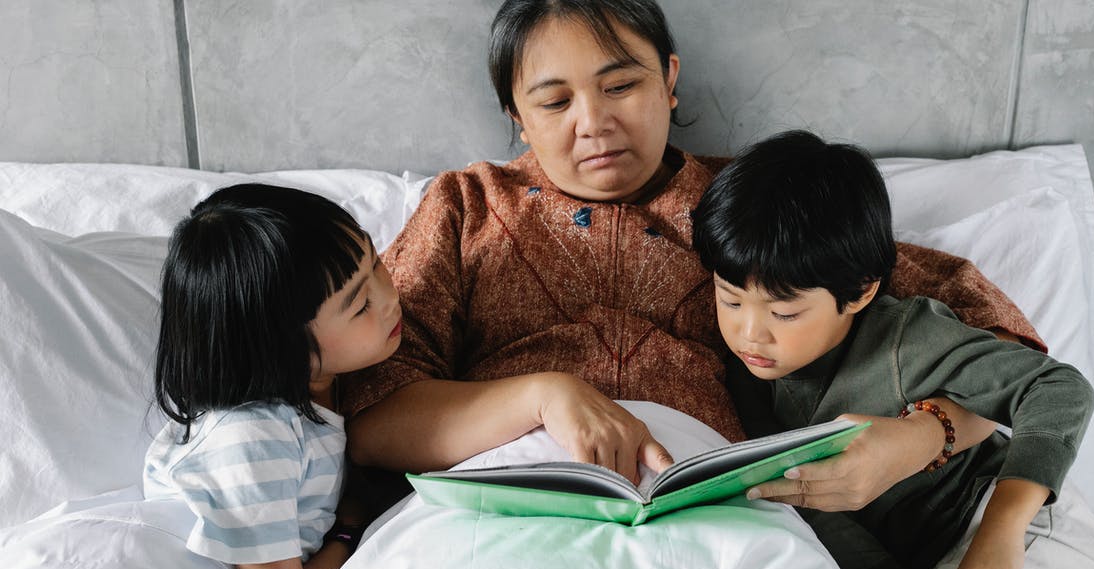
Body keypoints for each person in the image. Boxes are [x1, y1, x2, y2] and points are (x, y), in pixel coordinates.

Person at [343, 0, 1040, 513]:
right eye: (554, 102)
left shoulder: (750, 207)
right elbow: (372, 417)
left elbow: (1002, 341)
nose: (595, 123)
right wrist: (541, 393)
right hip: (505, 496)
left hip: (709, 503)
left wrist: (922, 437)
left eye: (621, 86)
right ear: (516, 116)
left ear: (669, 78)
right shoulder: (467, 206)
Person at [691, 129, 1094, 569]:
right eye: (731, 299)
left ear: (861, 293)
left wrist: (999, 533)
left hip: (1027, 533)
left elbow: (1058, 389)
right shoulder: (746, 382)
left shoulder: (904, 338)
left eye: (784, 314)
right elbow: (820, 512)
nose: (749, 333)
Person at [142, 183, 404, 569]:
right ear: (281, 349)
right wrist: (351, 525)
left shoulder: (324, 390)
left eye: (376, 264)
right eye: (360, 306)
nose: (392, 296)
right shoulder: (251, 440)